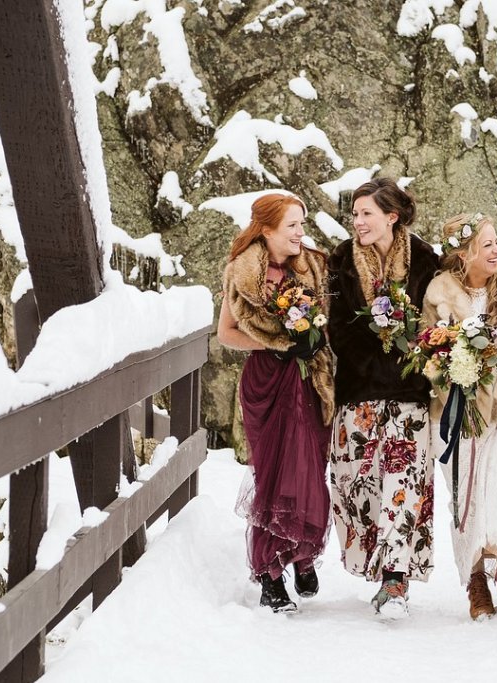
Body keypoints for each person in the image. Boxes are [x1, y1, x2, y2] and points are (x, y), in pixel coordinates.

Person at [327, 178, 440, 618]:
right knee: (359, 488)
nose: (357, 222)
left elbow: (437, 320)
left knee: (406, 487)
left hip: (411, 392)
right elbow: (338, 327)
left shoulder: (426, 261)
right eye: (354, 215)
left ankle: (396, 581)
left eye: (366, 214)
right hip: (357, 391)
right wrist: (374, 365)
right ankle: (378, 567)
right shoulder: (340, 261)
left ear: (392, 216)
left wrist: (411, 359)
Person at [217, 192, 335, 613]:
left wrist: (311, 337)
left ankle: (302, 556)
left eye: (302, 224)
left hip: (308, 380)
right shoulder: (242, 273)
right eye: (292, 226)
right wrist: (274, 344)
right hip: (266, 382)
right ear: (267, 231)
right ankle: (270, 574)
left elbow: (325, 321)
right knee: (272, 474)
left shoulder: (314, 268)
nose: (301, 233)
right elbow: (226, 333)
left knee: (308, 466)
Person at [420, 213, 497, 620]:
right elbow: (428, 352)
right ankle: (474, 581)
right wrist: (453, 379)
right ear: (465, 253)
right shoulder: (438, 294)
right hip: (458, 411)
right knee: (465, 497)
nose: (496, 251)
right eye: (487, 245)